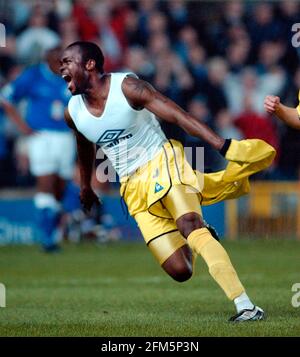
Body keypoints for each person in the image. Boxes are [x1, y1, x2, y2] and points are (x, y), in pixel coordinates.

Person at [60, 41, 275, 322]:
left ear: (89, 64)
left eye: (67, 61)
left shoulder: (128, 88)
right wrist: (86, 186)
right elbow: (84, 145)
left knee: (189, 226)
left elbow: (178, 114)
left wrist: (222, 145)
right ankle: (200, 231)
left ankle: (245, 305)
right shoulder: (72, 111)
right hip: (132, 187)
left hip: (162, 161)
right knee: (181, 270)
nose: (61, 67)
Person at [0, 46, 75, 252]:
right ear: (47, 60)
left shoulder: (71, 76)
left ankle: (53, 226)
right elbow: (6, 98)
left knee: (61, 187)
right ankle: (47, 237)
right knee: (46, 182)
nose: (61, 65)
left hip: (66, 136)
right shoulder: (33, 75)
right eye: (57, 60)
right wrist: (22, 126)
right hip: (41, 136)